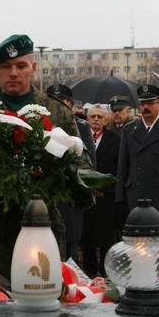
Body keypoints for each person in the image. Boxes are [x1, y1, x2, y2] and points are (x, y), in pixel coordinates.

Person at [0, 34, 94, 280]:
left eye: (21, 66)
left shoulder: (57, 112)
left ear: (33, 69)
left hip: (41, 233)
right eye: (6, 66)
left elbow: (83, 173)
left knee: (43, 310)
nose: (13, 73)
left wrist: (63, 170)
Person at [46, 84, 97, 264]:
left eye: (63, 101)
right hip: (45, 195)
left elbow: (88, 162)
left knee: (69, 252)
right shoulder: (38, 123)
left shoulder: (82, 128)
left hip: (69, 197)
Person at [115, 84, 159, 214]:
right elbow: (123, 167)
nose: (146, 107)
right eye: (143, 104)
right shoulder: (129, 130)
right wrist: (119, 199)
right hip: (135, 194)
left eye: (150, 103)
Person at [79, 104, 121, 278]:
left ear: (106, 119)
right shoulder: (79, 138)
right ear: (87, 119)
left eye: (100, 117)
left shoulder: (115, 139)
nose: (96, 120)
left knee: (106, 237)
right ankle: (89, 270)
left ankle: (105, 271)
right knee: (87, 236)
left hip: (107, 196)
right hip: (86, 195)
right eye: (92, 116)